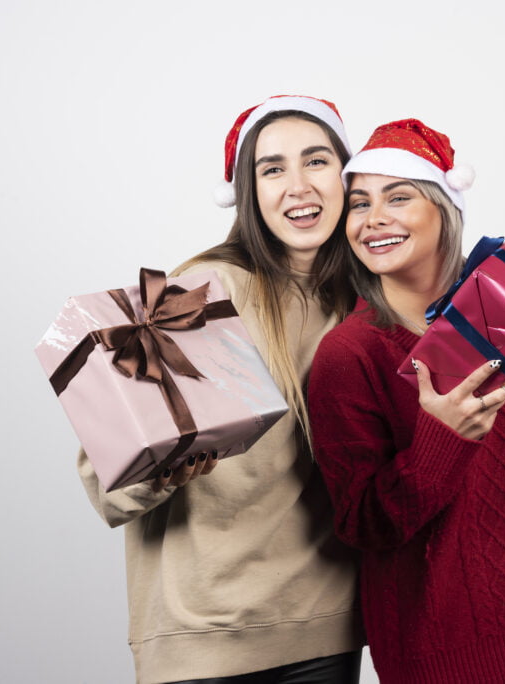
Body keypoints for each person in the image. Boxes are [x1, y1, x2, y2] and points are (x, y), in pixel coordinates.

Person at [308, 119, 505, 683]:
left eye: (398, 196)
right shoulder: (349, 353)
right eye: (358, 204)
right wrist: (444, 436)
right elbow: (362, 525)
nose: (373, 218)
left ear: (444, 208)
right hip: (447, 656)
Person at [77, 95, 362, 684]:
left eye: (316, 161)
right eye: (272, 168)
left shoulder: (365, 302)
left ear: (345, 174)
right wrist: (161, 465)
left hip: (324, 626)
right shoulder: (200, 295)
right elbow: (104, 481)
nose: (297, 185)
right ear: (248, 192)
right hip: (199, 634)